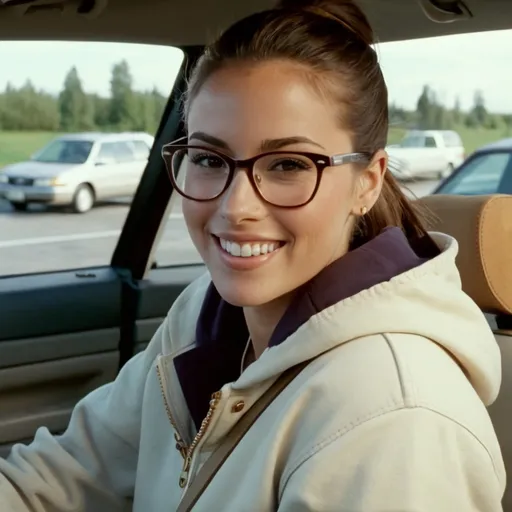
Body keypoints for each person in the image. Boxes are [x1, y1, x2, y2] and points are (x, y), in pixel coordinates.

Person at [0, 0, 506, 510]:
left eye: (288, 164)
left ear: (367, 183)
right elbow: (63, 474)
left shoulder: (395, 419)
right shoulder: (204, 314)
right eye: (208, 158)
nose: (235, 206)